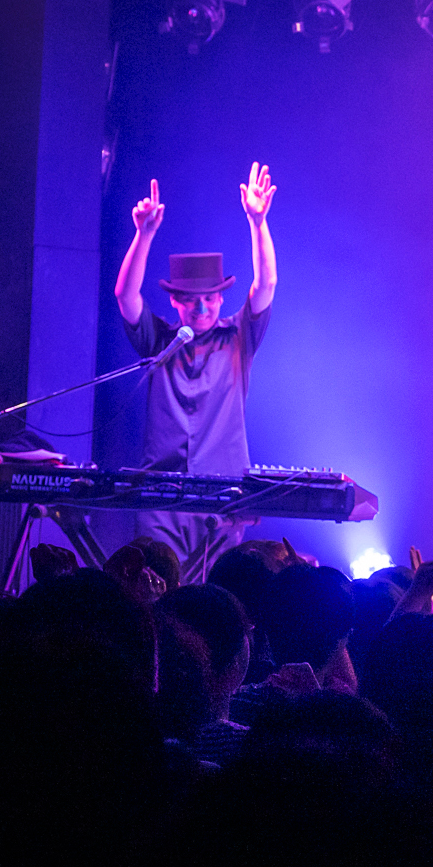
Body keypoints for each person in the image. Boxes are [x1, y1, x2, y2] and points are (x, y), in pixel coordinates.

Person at [112, 165, 278, 579]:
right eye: (191, 300)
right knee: (155, 588)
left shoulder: (238, 338)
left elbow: (266, 285)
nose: (201, 308)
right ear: (175, 301)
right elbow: (125, 296)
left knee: (215, 593)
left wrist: (258, 222)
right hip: (161, 497)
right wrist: (143, 234)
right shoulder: (159, 340)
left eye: (210, 299)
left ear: (221, 299)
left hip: (223, 497)